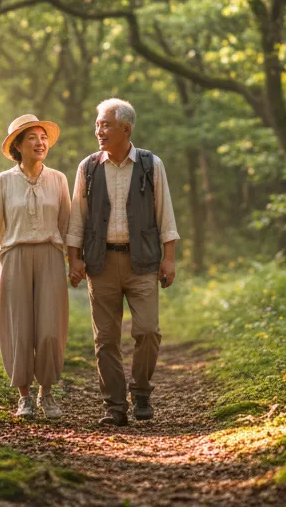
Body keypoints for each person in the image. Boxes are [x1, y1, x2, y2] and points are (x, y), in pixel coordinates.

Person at [66, 98, 179, 426]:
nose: (98, 130)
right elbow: (78, 217)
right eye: (98, 124)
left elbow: (165, 213)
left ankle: (141, 389)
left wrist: (169, 259)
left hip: (141, 261)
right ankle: (114, 406)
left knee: (148, 332)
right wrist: (74, 259)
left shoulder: (149, 164)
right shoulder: (87, 167)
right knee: (106, 339)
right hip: (100, 264)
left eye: (106, 125)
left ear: (126, 129)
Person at [0, 114, 72, 420]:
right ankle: (24, 397)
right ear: (18, 145)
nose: (40, 142)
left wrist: (75, 261)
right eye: (32, 137)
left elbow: (68, 225)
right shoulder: (3, 181)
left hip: (50, 255)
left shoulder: (58, 179)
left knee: (49, 329)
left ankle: (46, 394)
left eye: (43, 137)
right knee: (18, 328)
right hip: (14, 256)